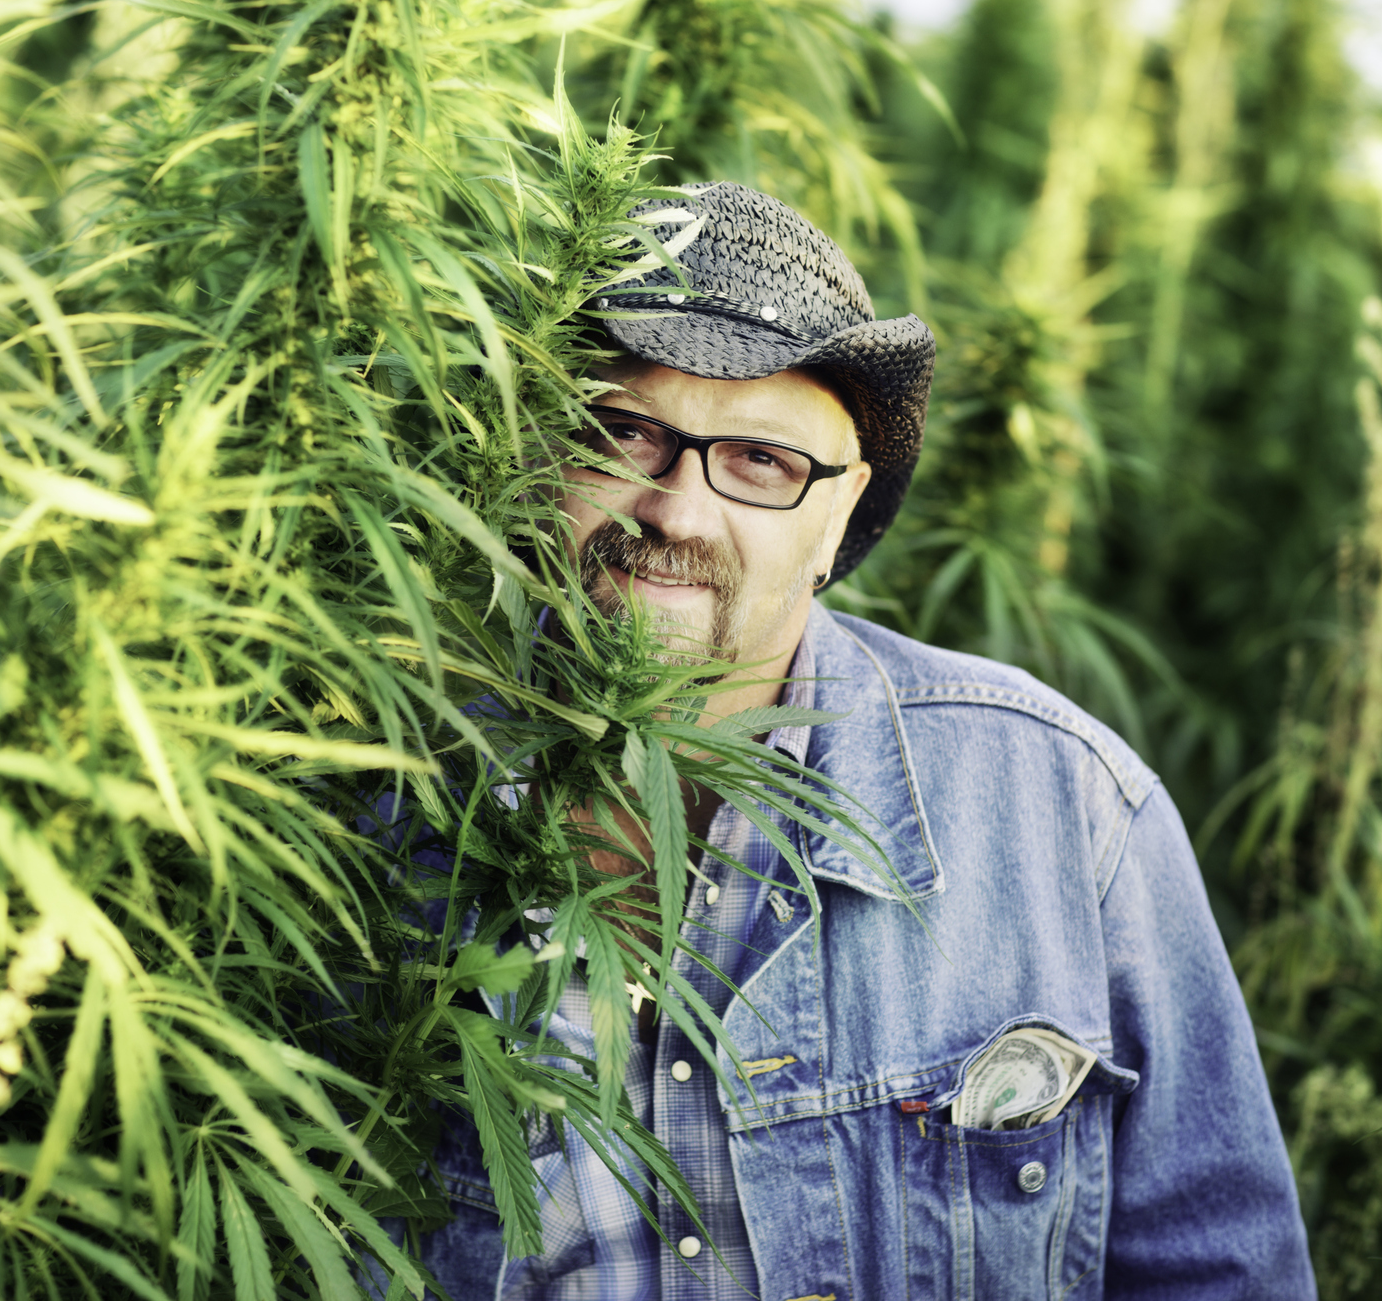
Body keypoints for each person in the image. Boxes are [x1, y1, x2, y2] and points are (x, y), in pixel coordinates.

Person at [413, 182, 1316, 1299]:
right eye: (624, 432)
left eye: (760, 461)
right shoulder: (376, 799)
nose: (676, 512)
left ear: (841, 513)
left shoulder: (1064, 806)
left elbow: (1219, 1271)